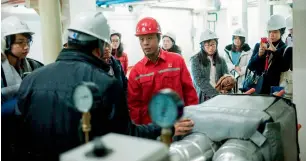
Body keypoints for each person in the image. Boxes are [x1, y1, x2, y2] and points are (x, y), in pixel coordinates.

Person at [14, 11, 193, 161]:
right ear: (99, 45)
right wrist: (165, 127)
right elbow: (126, 136)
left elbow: (18, 138)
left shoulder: (31, 80)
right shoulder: (105, 84)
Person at [128, 17, 198, 125]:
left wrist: (192, 118)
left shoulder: (177, 61)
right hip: (152, 130)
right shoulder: (136, 72)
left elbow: (189, 92)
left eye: (150, 38)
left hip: (180, 123)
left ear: (158, 38)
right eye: (142, 39)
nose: (145, 43)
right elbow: (135, 107)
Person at [1, 16, 43, 161]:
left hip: (30, 131)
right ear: (5, 43)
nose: (26, 47)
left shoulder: (35, 66)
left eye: (27, 42)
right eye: (20, 42)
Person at [247, 14, 288, 94]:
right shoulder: (259, 45)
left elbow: (284, 67)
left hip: (274, 89)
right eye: (270, 32)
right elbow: (250, 66)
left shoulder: (285, 48)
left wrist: (275, 51)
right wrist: (259, 55)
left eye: (275, 32)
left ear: (282, 32)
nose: (271, 35)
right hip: (258, 87)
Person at [190, 29, 229, 103]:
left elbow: (226, 76)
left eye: (213, 44)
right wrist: (215, 94)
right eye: (207, 45)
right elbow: (199, 81)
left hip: (220, 95)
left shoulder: (221, 60)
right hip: (204, 96)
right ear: (202, 46)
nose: (211, 48)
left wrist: (226, 88)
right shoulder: (195, 60)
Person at [224, 28, 252, 93]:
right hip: (230, 78)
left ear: (243, 40)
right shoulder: (227, 50)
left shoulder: (248, 51)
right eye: (235, 38)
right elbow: (225, 63)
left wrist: (239, 72)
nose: (237, 40)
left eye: (239, 38)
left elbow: (249, 64)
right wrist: (234, 67)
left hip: (242, 77)